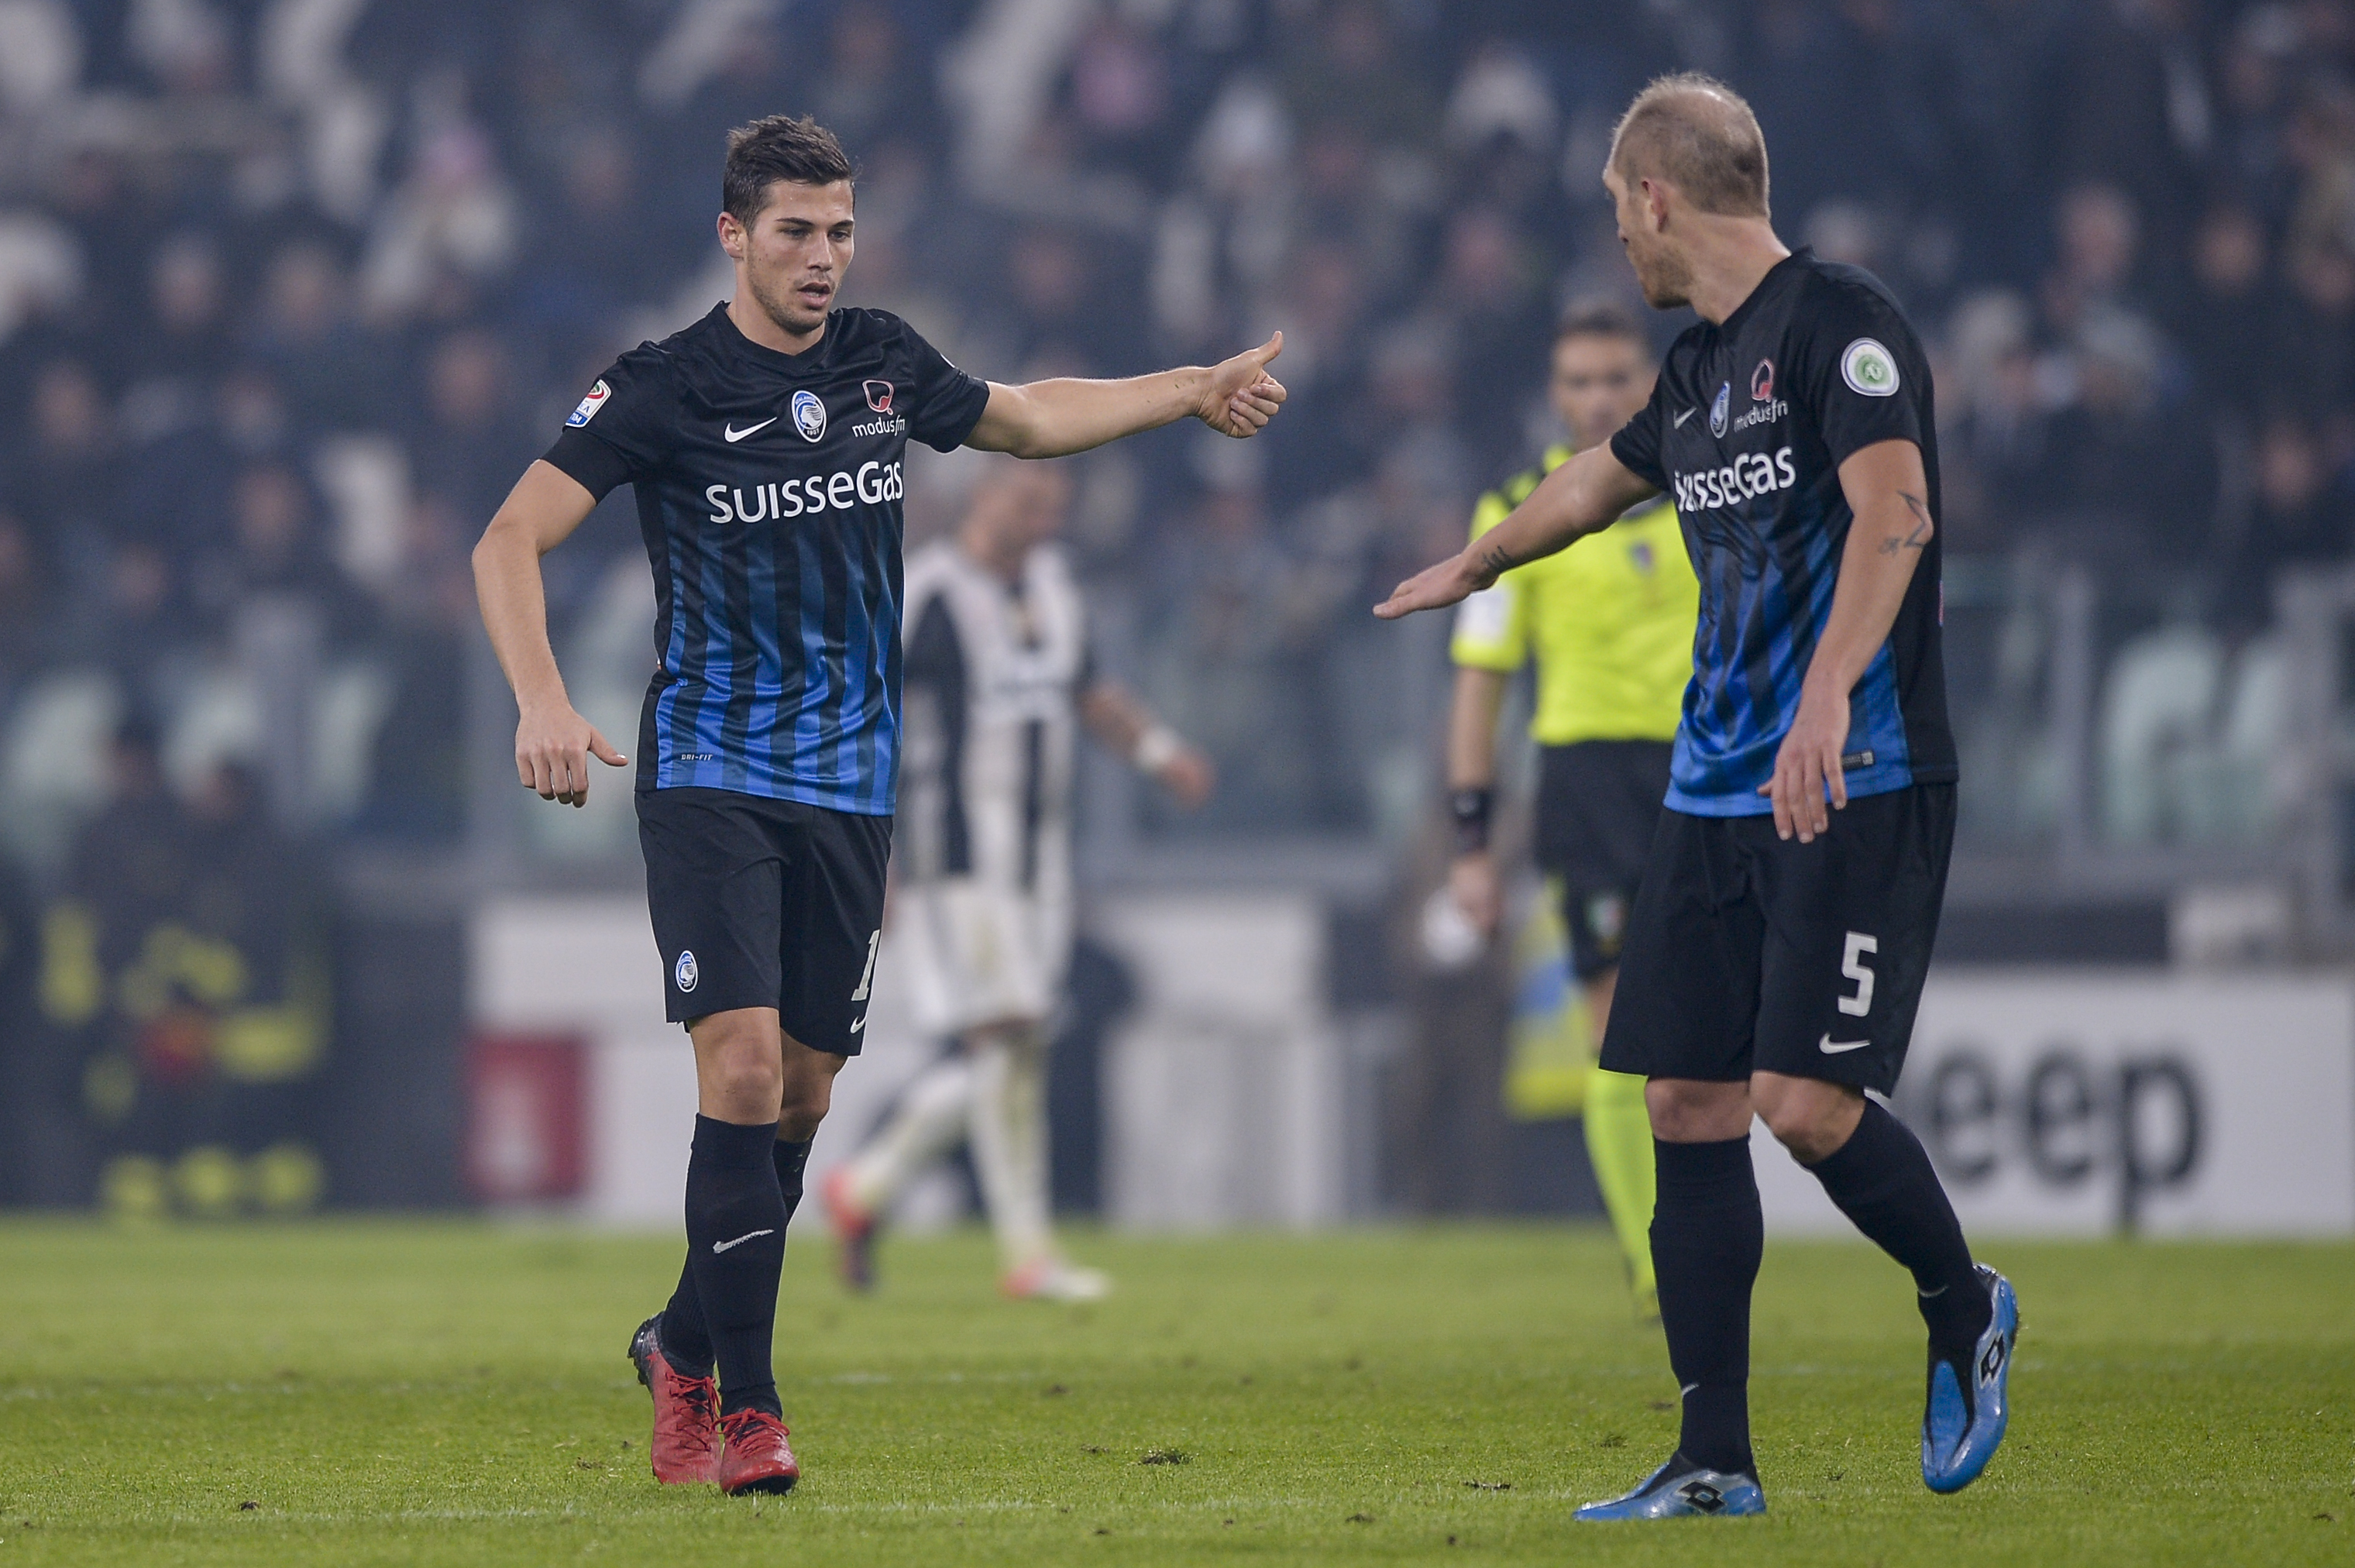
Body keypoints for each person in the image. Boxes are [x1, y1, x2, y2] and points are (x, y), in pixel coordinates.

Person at [470, 115, 1283, 1498]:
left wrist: (1189, 389)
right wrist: (542, 697)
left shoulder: (883, 363)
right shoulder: (663, 387)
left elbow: (1026, 415)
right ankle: (749, 1408)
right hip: (713, 770)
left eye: (840, 230)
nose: (824, 257)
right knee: (733, 1071)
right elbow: (508, 537)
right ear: (734, 234)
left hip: (850, 784)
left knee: (799, 1096)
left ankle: (678, 1338)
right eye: (796, 231)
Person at [1377, 74, 2016, 1520]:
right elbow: (1591, 487)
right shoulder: (1695, 375)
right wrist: (1478, 564)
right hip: (1716, 785)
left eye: (1618, 210)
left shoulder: (1838, 324)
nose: (1619, 240)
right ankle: (1715, 1455)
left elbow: (1896, 513)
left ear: (1658, 196)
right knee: (1685, 1096)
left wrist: (1833, 686)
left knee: (1800, 1102)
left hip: (1855, 772)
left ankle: (1960, 1296)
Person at [820, 454, 1212, 1302]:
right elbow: (865, 723)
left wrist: (1158, 751)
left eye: (1054, 510)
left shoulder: (1055, 585)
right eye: (1030, 507)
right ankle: (1026, 1252)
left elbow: (1087, 690)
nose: (1043, 525)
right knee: (1008, 1031)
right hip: (954, 856)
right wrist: (865, 852)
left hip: (1039, 859)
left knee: (1017, 1040)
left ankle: (865, 1187)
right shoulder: (924, 592)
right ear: (984, 496)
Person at [1443, 301, 1694, 1319]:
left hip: (1701, 773)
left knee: (1718, 1036)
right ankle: (1653, 1265)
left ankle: (1695, 1230)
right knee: (1617, 1028)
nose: (1598, 397)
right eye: (1579, 381)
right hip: (1585, 785)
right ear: (1555, 394)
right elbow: (1480, 683)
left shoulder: (1705, 495)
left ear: (1650, 384)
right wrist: (1470, 839)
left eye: (1616, 378)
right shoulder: (1515, 507)